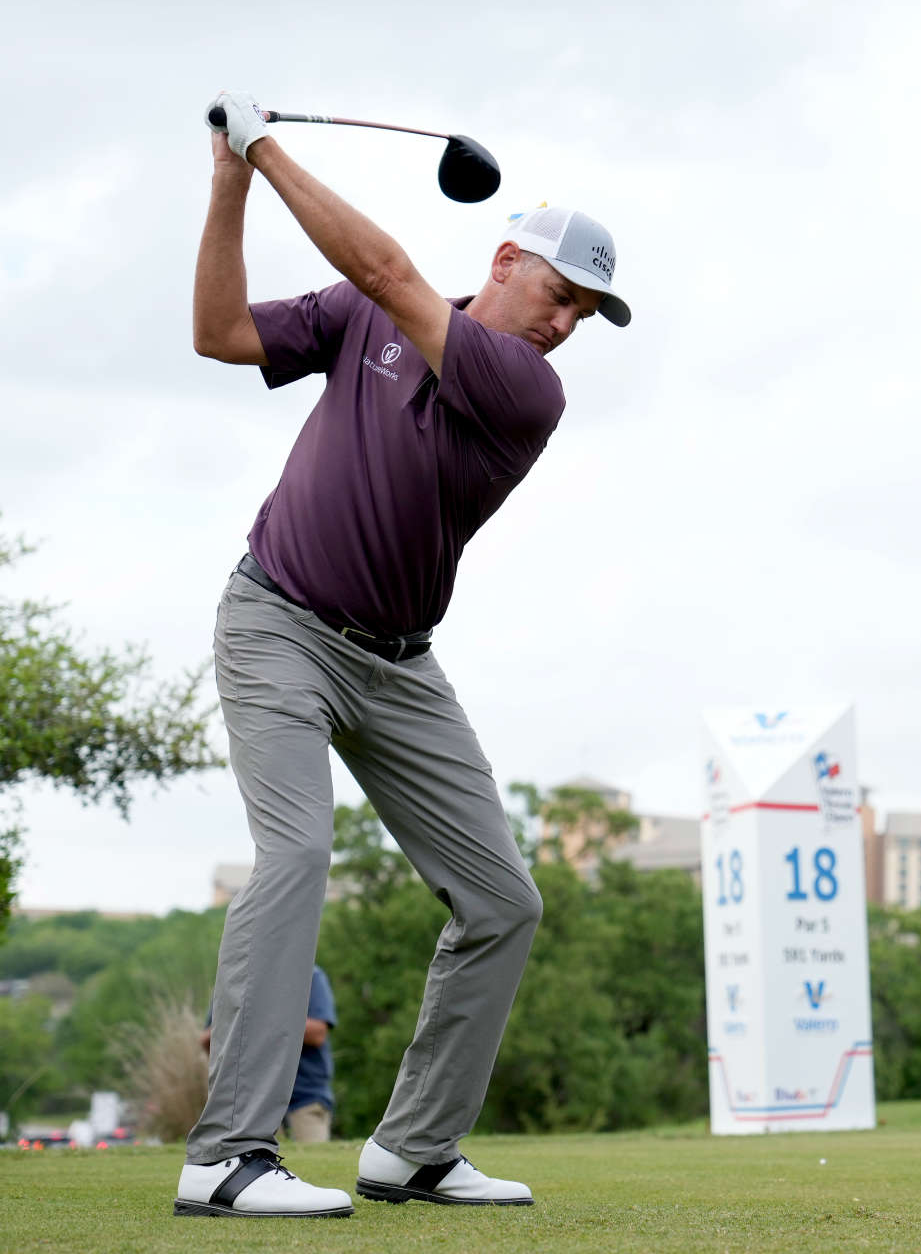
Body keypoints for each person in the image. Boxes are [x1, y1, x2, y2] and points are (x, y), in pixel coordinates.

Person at [174, 90, 629, 1220]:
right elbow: (220, 334)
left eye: (586, 312)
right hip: (277, 619)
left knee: (501, 897)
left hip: (401, 665)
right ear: (508, 259)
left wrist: (263, 144)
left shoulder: (524, 386)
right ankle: (227, 1153)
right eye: (561, 295)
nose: (566, 322)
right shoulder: (365, 318)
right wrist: (228, 183)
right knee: (294, 857)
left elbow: (386, 270)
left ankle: (412, 1148)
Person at [201, 966, 337, 1143]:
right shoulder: (237, 979)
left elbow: (318, 1032)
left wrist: (261, 1019)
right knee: (255, 1165)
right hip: (251, 1103)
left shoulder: (310, 974)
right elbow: (207, 1040)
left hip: (305, 1097)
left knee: (314, 1161)